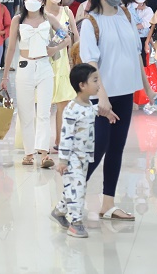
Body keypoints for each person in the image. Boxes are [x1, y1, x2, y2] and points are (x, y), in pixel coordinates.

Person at [79, 0, 154, 221]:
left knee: (116, 149)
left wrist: (148, 87)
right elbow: (91, 63)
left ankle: (107, 203)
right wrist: (101, 97)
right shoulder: (90, 23)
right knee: (98, 147)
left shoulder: (125, 14)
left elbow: (135, 53)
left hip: (125, 93)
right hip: (104, 96)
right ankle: (67, 199)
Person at [0, 0, 70, 168]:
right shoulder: (18, 19)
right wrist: (5, 75)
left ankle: (44, 153)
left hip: (45, 67)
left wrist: (55, 48)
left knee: (44, 112)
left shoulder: (48, 18)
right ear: (24, 0)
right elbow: (11, 48)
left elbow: (67, 36)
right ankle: (29, 153)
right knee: (26, 112)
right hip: (24, 67)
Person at [51, 64, 116, 238]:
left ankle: (59, 211)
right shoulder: (71, 110)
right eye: (95, 80)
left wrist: (105, 113)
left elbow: (90, 112)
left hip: (84, 157)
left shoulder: (87, 105)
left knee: (75, 187)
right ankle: (76, 223)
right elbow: (66, 136)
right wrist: (63, 160)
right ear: (82, 85)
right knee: (78, 190)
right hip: (72, 158)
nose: (98, 84)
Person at [42, 0, 80, 154]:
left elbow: (75, 38)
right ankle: (41, 143)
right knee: (44, 105)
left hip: (63, 62)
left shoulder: (67, 12)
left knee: (63, 103)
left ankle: (59, 140)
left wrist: (75, 60)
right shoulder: (39, 13)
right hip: (43, 62)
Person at [131, 0, 153, 66]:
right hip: (130, 38)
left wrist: (131, 27)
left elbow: (145, 24)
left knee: (143, 62)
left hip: (143, 38)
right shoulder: (128, 8)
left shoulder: (148, 10)